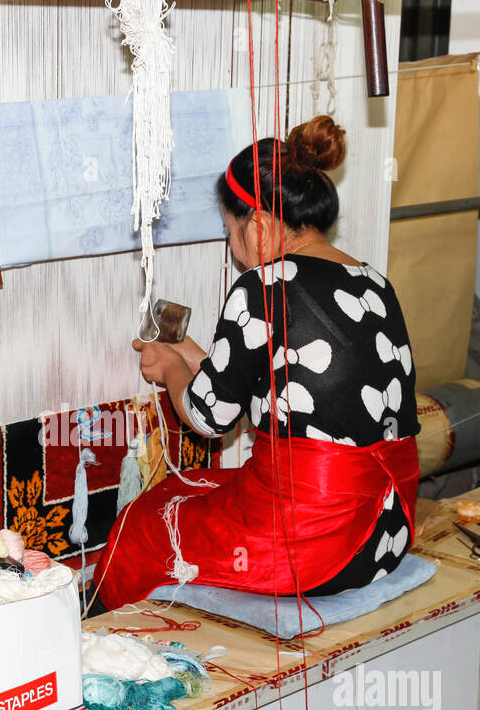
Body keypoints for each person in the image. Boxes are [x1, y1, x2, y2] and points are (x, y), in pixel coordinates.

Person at [90, 115, 420, 612]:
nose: (234, 248)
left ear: (261, 227)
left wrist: (170, 371)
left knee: (150, 518)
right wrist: (194, 355)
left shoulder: (262, 286)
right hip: (390, 528)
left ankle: (106, 639)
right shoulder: (373, 281)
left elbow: (209, 418)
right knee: (205, 485)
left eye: (231, 231)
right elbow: (283, 384)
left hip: (318, 543)